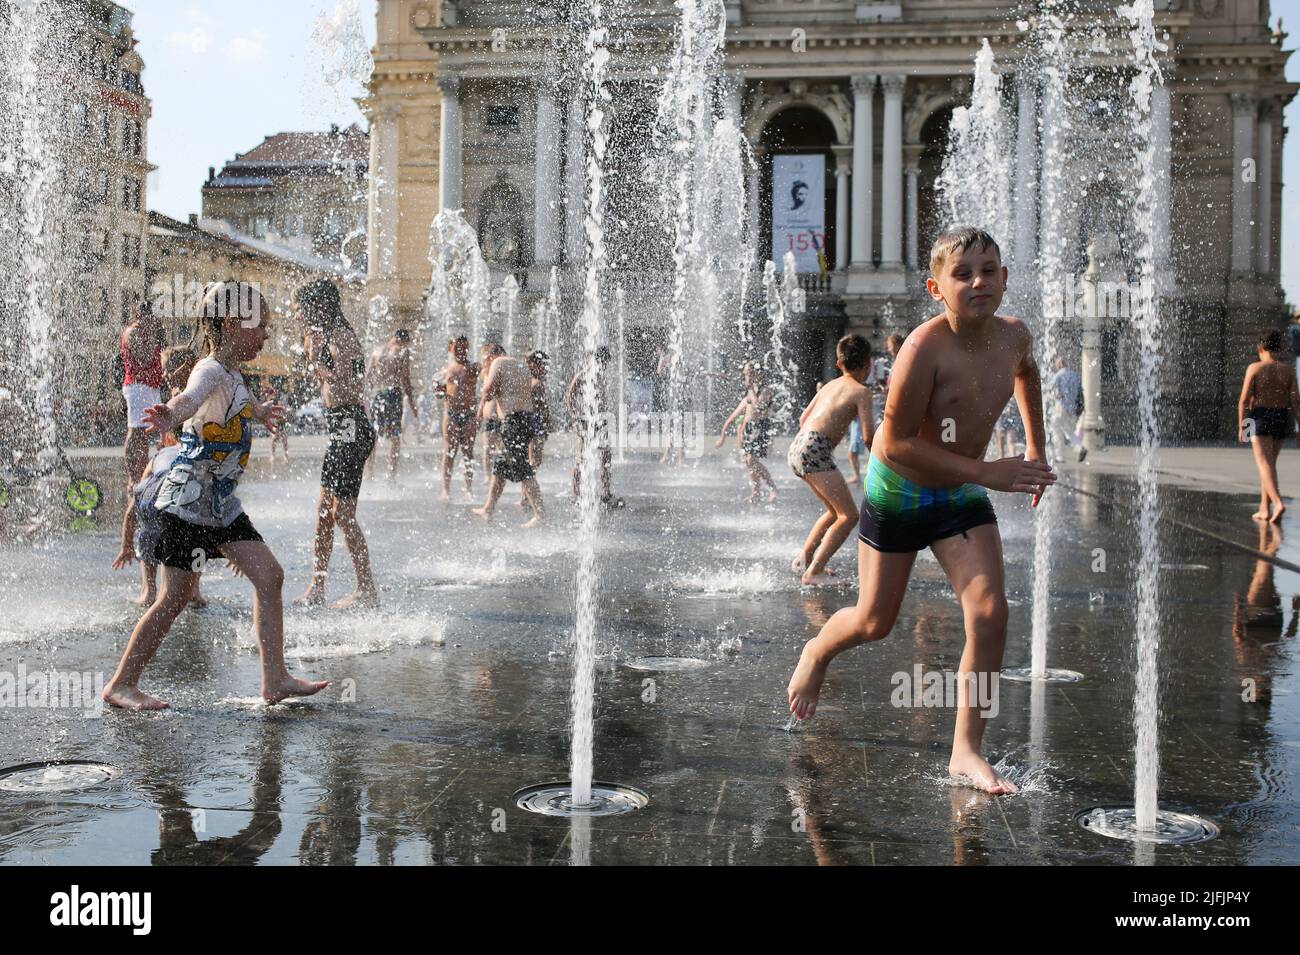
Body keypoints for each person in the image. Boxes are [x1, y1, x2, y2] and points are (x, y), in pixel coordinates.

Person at [786, 226, 1057, 795]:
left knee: (989, 613)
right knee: (874, 622)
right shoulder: (923, 348)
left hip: (959, 494)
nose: (978, 281)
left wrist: (1034, 448)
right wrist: (992, 472)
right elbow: (895, 443)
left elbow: (1028, 376)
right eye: (963, 274)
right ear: (936, 288)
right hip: (901, 492)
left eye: (988, 270)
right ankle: (817, 649)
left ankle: (966, 750)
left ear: (1005, 279)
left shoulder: (1015, 337)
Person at [102, 281, 327, 710]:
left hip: (219, 505)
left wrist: (259, 412)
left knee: (270, 576)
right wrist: (171, 412)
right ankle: (122, 684)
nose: (266, 334)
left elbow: (235, 402)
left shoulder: (233, 373)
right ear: (231, 324)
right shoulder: (208, 369)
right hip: (188, 506)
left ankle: (275, 678)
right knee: (175, 598)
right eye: (261, 325)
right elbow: (190, 398)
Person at [292, 279, 379, 610]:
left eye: (303, 311)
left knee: (342, 514)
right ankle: (317, 586)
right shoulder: (327, 336)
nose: (298, 317)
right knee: (324, 514)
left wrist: (316, 358)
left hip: (351, 425)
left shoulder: (341, 336)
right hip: (341, 426)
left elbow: (345, 376)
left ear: (320, 307)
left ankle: (367, 589)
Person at [112, 347, 207, 609]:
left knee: (149, 526)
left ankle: (149, 590)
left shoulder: (187, 395)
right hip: (188, 476)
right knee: (195, 533)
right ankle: (194, 589)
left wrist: (125, 546)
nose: (162, 373)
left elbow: (134, 508)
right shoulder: (195, 391)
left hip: (166, 477)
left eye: (166, 368)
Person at [787, 335, 874, 586]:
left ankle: (804, 557)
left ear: (839, 363)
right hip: (816, 448)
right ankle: (814, 571)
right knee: (849, 516)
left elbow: (804, 419)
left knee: (834, 512)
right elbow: (868, 436)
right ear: (868, 365)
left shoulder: (828, 386)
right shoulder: (862, 392)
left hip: (798, 447)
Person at [472, 347, 545, 525]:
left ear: (490, 357)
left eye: (485, 362)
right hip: (525, 420)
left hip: (513, 422)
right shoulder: (520, 364)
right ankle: (488, 509)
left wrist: (487, 386)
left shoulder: (498, 362)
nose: (485, 366)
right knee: (500, 468)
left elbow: (488, 391)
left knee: (523, 469)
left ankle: (540, 515)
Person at [1238, 329, 1300, 523]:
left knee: (1264, 464)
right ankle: (1264, 508)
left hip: (1261, 417)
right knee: (1270, 465)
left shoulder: (1254, 368)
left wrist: (1243, 428)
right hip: (1282, 418)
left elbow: (1243, 400)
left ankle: (1277, 502)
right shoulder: (1288, 370)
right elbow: (1296, 402)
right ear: (1279, 348)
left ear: (1261, 348)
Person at [716, 361, 778, 504]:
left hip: (760, 428)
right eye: (745, 374)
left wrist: (750, 389)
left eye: (749, 374)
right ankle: (755, 493)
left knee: (751, 461)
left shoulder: (766, 390)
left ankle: (773, 488)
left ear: (758, 374)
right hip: (750, 429)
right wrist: (727, 435)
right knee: (749, 463)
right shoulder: (750, 393)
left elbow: (758, 408)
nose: (746, 377)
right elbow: (738, 416)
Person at [566, 346, 619, 508]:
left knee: (606, 457)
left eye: (605, 362)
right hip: (585, 420)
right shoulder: (583, 373)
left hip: (600, 420)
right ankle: (576, 494)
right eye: (602, 361)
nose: (604, 365)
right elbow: (570, 395)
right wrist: (575, 418)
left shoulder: (600, 374)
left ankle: (605, 493)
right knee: (581, 458)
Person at [120, 300, 164, 487]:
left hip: (150, 386)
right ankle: (133, 476)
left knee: (144, 433)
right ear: (140, 316)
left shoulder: (146, 332)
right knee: (136, 430)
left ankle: (142, 470)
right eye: (150, 317)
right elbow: (144, 359)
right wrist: (153, 337)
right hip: (138, 386)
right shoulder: (133, 332)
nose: (153, 320)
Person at [365, 329, 419, 480]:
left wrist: (364, 399)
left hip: (377, 395)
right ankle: (391, 475)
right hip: (393, 395)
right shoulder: (402, 352)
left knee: (373, 436)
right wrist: (412, 404)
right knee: (395, 437)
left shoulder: (376, 350)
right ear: (403, 341)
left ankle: (370, 474)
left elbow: (368, 376)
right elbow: (406, 380)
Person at [435, 336, 479, 501]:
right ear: (450, 349)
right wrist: (439, 390)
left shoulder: (473, 367)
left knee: (468, 452)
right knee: (449, 452)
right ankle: (446, 489)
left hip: (469, 415)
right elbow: (440, 394)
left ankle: (468, 489)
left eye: (464, 347)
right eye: (457, 347)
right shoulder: (446, 369)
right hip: (451, 415)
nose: (461, 350)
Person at [518, 350, 552, 508]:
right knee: (533, 461)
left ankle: (525, 495)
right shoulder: (535, 383)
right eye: (543, 365)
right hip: (535, 425)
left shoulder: (528, 380)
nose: (545, 368)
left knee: (531, 461)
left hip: (531, 424)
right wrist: (547, 422)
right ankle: (526, 497)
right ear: (534, 365)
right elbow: (541, 407)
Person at [1045, 355, 1086, 463]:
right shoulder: (1076, 375)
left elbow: (1048, 387)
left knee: (1056, 428)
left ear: (1059, 365)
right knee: (1069, 430)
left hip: (1061, 406)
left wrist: (1054, 394)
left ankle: (1060, 456)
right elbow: (1080, 391)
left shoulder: (1059, 375)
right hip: (1072, 407)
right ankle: (1079, 447)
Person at [479, 342, 505, 479]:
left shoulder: (503, 373)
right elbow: (484, 397)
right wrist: (478, 413)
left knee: (500, 449)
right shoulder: (485, 373)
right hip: (488, 418)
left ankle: (498, 476)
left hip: (500, 418)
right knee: (487, 448)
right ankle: (488, 477)